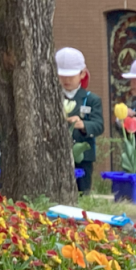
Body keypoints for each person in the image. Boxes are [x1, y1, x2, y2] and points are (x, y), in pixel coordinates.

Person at [55, 47, 104, 193]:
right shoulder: (52, 98)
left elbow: (99, 125)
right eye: (62, 75)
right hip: (58, 155)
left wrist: (83, 125)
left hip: (83, 158)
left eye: (71, 75)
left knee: (83, 193)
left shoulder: (91, 99)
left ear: (82, 74)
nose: (67, 80)